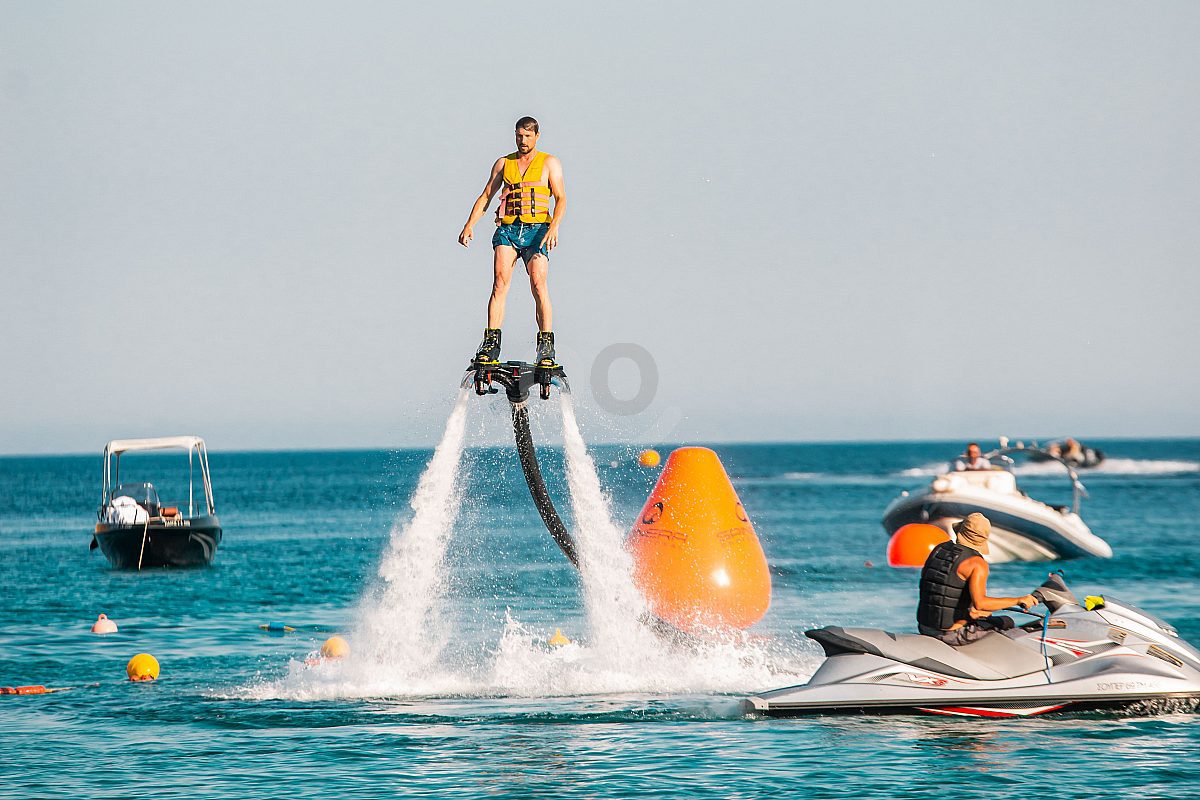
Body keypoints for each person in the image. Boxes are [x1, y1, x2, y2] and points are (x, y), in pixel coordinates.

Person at [459, 116, 566, 369]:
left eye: (528, 136)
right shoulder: (503, 163)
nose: (523, 140)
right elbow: (487, 195)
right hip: (509, 229)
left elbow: (561, 198)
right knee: (499, 282)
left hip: (538, 230)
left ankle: (546, 347)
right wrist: (469, 225)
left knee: (538, 284)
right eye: (519, 135)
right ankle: (490, 344)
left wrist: (554, 228)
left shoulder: (550, 163)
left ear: (537, 136)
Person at [916, 513, 1038, 646]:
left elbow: (940, 589)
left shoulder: (939, 549)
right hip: (952, 635)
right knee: (1008, 623)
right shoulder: (977, 564)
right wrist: (1019, 600)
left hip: (924, 627)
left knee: (989, 617)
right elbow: (980, 603)